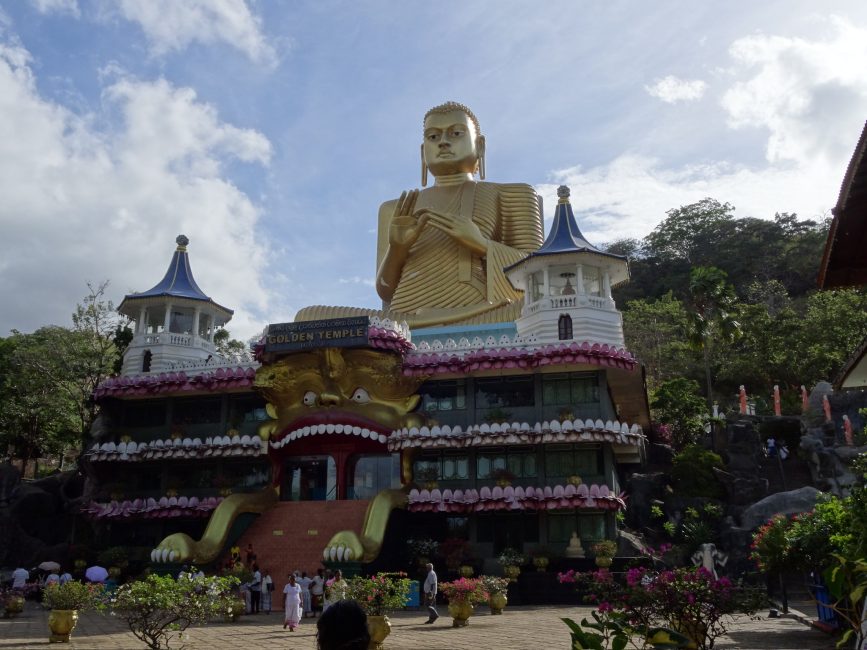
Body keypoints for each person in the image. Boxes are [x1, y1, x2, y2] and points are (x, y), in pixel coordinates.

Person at [297, 101, 544, 328]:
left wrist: (482, 245)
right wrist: (398, 248)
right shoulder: (394, 208)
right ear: (422, 151)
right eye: (433, 136)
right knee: (309, 317)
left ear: (480, 145)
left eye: (456, 133)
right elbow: (386, 291)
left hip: (480, 313)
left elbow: (538, 280)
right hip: (403, 321)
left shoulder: (512, 194)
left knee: (541, 307)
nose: (443, 142)